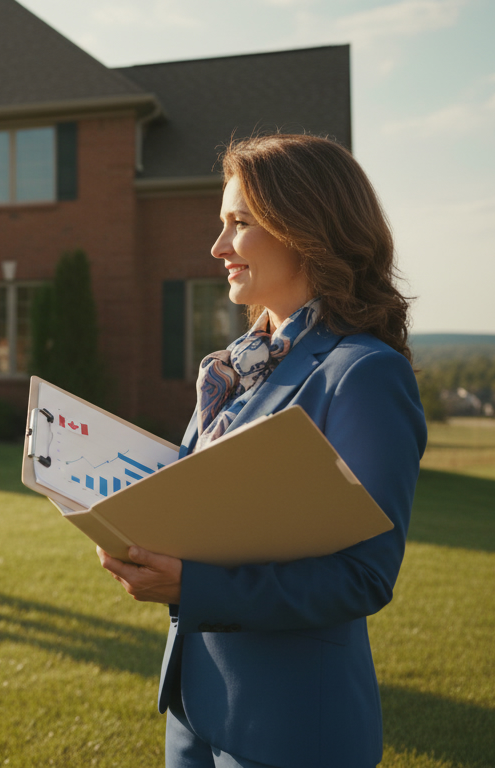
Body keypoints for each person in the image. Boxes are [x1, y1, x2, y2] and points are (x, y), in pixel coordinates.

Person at [98, 134, 426, 768]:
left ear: (304, 229)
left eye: (239, 224)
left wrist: (193, 585)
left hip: (291, 727)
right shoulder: (232, 370)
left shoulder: (363, 374)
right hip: (194, 707)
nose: (218, 248)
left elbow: (363, 576)